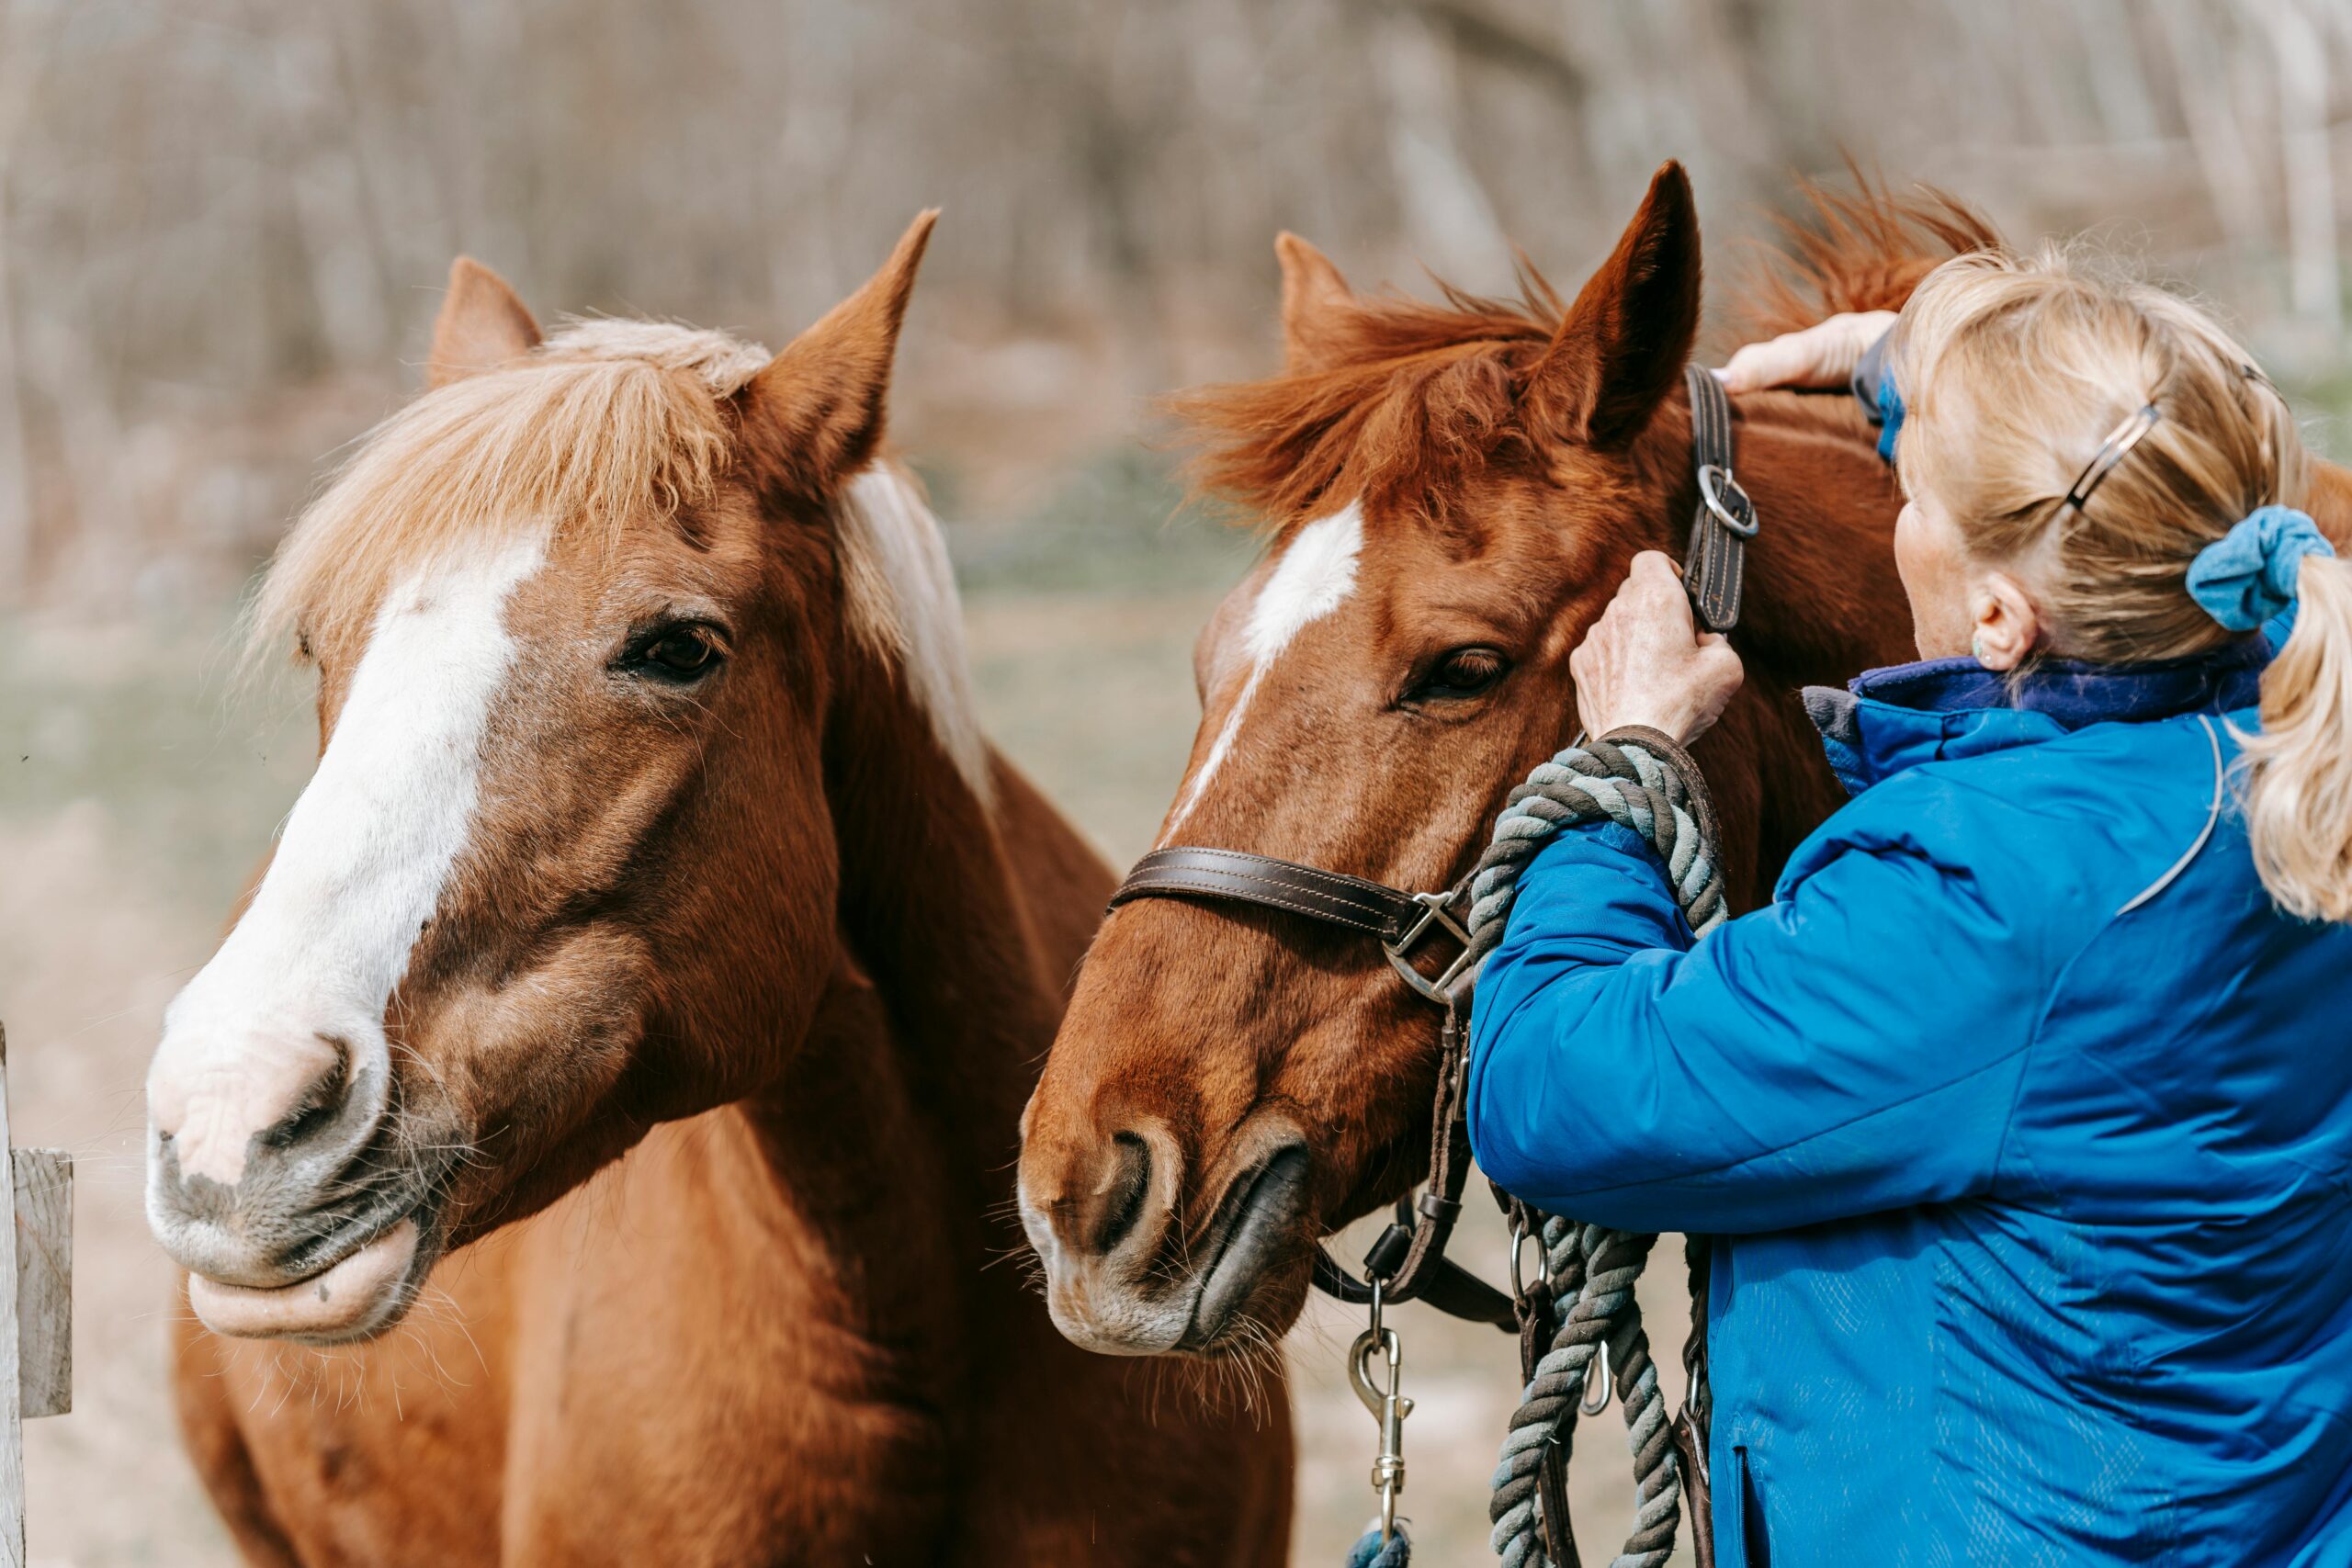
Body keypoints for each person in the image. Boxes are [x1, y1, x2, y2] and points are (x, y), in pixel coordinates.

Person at [1464, 245, 2352, 1567]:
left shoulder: (1986, 896)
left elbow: (1554, 1086)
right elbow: (2151, 446)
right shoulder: (2289, 762)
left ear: (1999, 617)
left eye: (1914, 491)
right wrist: (1908, 371)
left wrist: (1620, 764)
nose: (1899, 516)